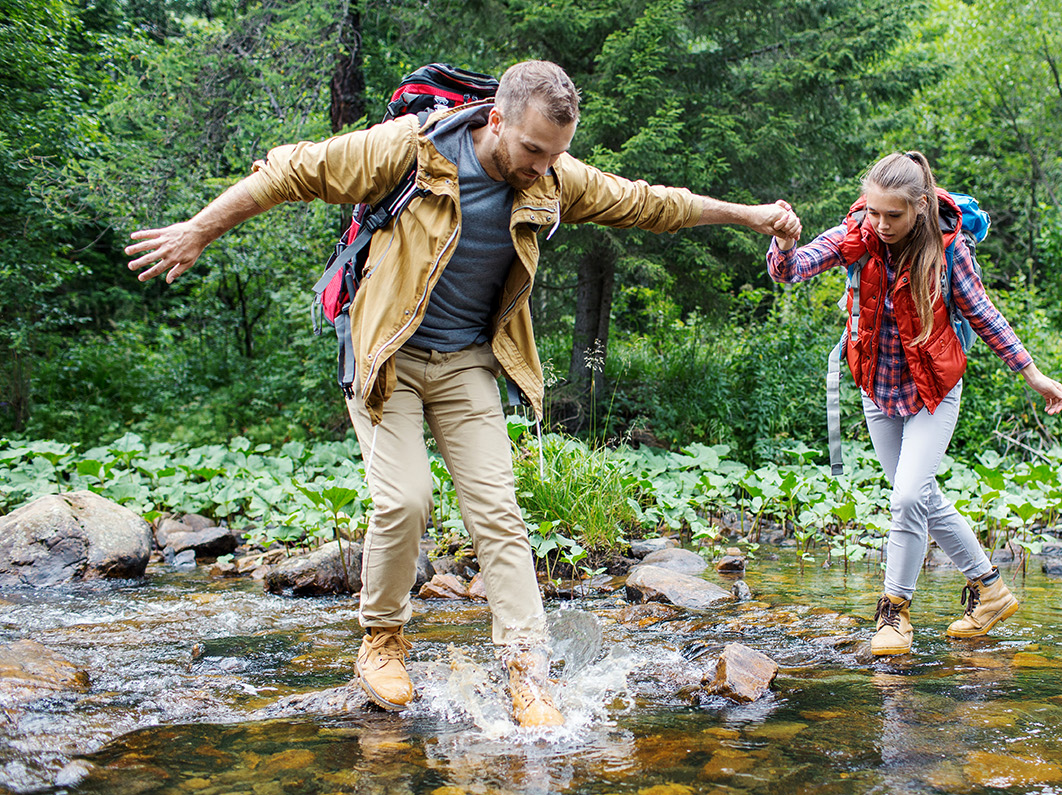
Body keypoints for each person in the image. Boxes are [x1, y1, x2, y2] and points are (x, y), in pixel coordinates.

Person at [126, 60, 802, 724]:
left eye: (555, 154)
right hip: (386, 356)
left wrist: (750, 216)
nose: (542, 167)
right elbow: (292, 171)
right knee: (406, 500)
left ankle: (526, 672)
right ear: (497, 119)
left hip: (466, 365)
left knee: (500, 515)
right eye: (533, 149)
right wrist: (197, 230)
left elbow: (653, 204)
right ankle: (382, 640)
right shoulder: (414, 150)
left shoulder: (552, 176)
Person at [767, 151, 1062, 656]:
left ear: (921, 206)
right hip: (876, 390)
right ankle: (990, 589)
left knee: (907, 497)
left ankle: (894, 616)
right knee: (919, 496)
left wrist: (1032, 374)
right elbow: (789, 273)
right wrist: (784, 241)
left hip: (934, 391)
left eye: (893, 215)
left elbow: (985, 315)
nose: (879, 224)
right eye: (873, 212)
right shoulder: (858, 235)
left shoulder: (950, 252)